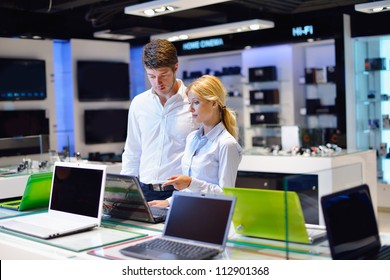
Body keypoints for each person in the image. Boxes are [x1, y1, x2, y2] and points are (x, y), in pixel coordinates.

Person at [149, 75, 243, 207]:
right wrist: (168, 202)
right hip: (188, 210)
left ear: (214, 103)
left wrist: (190, 182)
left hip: (211, 216)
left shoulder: (226, 144)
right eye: (190, 103)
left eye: (196, 102)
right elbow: (190, 190)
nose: (190, 109)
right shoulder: (192, 138)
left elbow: (226, 195)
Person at [121, 39, 198, 201]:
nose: (158, 83)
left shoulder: (194, 103)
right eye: (151, 76)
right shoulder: (139, 103)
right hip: (145, 191)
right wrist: (125, 191)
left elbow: (204, 157)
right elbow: (132, 151)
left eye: (163, 75)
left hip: (182, 191)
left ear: (175, 67)